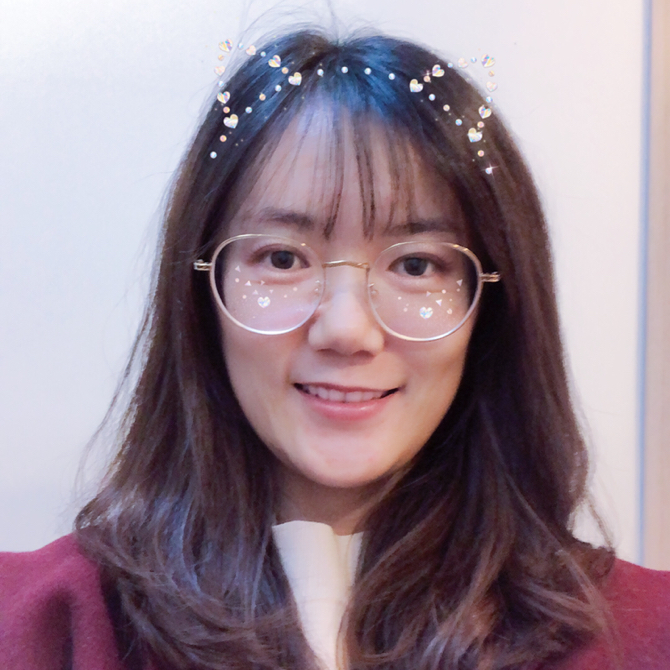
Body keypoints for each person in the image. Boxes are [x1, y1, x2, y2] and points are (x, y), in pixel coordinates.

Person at [0, 28, 668, 670]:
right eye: (282, 258)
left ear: (491, 309)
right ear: (201, 293)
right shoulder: (35, 624)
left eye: (417, 266)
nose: (348, 330)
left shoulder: (648, 633)